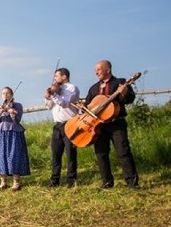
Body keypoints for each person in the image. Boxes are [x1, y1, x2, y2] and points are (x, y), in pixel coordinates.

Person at [85, 60, 140, 189]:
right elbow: (89, 105)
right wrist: (84, 107)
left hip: (117, 123)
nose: (96, 72)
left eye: (99, 69)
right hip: (99, 126)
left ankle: (131, 182)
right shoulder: (94, 88)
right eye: (95, 70)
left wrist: (124, 92)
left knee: (123, 152)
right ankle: (107, 182)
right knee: (101, 153)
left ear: (108, 70)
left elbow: (129, 99)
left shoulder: (120, 82)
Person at [0, 86, 31, 191]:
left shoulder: (17, 105)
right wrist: (0, 112)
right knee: (2, 157)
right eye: (3, 93)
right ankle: (3, 182)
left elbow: (17, 120)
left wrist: (11, 111)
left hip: (14, 133)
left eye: (7, 93)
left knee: (14, 156)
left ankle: (16, 182)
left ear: (12, 95)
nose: (5, 95)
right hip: (1, 134)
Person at [44, 68, 80, 188]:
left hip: (70, 123)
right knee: (56, 154)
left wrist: (54, 94)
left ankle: (71, 180)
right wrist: (48, 96)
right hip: (58, 125)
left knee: (70, 153)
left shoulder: (72, 88)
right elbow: (49, 106)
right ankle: (54, 180)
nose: (54, 79)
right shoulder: (55, 89)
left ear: (64, 76)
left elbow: (64, 103)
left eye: (56, 76)